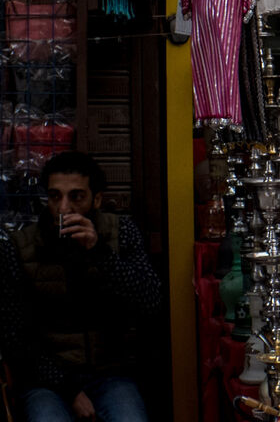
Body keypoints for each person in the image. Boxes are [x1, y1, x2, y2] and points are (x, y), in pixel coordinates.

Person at [0, 151, 162, 421]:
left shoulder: (120, 232)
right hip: (47, 380)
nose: (63, 208)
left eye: (76, 197)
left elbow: (151, 300)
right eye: (54, 197)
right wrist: (69, 389)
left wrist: (98, 251)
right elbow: (16, 337)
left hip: (110, 373)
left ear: (96, 199)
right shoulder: (20, 247)